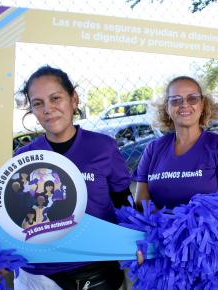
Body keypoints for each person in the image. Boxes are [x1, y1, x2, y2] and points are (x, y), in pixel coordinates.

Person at [13, 65, 133, 290]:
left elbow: (124, 203)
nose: (48, 109)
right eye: (38, 103)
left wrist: (132, 243)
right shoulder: (23, 158)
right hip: (39, 273)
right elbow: (15, 216)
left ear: (74, 99)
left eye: (55, 98)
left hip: (95, 266)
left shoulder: (103, 147)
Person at [134, 76, 218, 266]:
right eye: (176, 100)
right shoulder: (153, 149)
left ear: (203, 104)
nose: (184, 105)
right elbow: (141, 201)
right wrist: (169, 230)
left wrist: (189, 232)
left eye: (192, 98)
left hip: (208, 251)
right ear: (167, 108)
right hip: (164, 247)